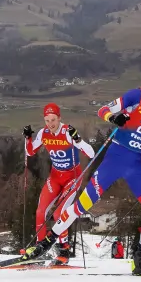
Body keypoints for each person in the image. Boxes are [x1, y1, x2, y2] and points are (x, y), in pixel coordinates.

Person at [22, 65, 141, 276]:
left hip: (136, 165)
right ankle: (47, 242)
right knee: (82, 205)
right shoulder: (138, 95)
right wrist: (114, 118)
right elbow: (104, 110)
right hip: (116, 158)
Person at [22, 103, 95, 265]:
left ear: (59, 118)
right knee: (40, 211)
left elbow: (91, 153)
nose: (50, 124)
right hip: (55, 177)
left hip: (72, 178)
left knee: (59, 214)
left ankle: (64, 251)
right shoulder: (43, 133)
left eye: (53, 120)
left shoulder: (68, 132)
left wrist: (78, 139)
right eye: (47, 120)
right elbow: (30, 152)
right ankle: (39, 249)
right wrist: (28, 138)